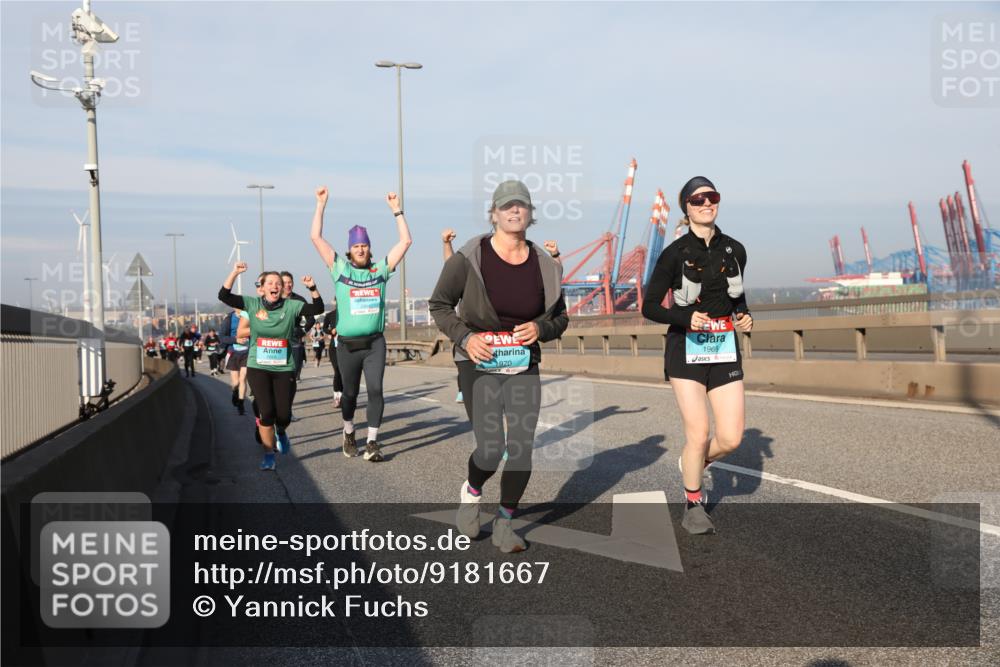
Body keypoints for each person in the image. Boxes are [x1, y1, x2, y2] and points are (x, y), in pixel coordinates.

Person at [430, 180, 568, 553]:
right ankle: (472, 491)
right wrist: (466, 338)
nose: (514, 211)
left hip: (523, 363)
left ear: (530, 214)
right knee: (492, 449)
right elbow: (440, 305)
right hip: (479, 362)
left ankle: (506, 521)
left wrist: (540, 328)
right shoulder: (469, 257)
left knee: (521, 449)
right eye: (506, 206)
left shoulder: (544, 264)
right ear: (493, 214)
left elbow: (560, 318)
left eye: (521, 205)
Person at [641, 176, 752, 536]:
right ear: (686, 207)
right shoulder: (673, 254)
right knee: (699, 431)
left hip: (723, 348)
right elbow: (650, 307)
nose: (707, 203)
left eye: (712, 197)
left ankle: (692, 462)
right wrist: (685, 316)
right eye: (698, 199)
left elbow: (736, 297)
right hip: (685, 349)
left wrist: (744, 314)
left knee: (732, 437)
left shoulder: (736, 249)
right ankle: (693, 503)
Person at [310, 186, 412, 462]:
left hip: (374, 343)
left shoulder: (380, 271)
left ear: (369, 249)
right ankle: (349, 431)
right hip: (347, 346)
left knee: (377, 390)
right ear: (350, 250)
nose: (360, 249)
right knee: (350, 395)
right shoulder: (339, 270)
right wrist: (321, 205)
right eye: (356, 246)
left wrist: (396, 211)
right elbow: (316, 237)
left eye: (364, 246)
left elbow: (405, 242)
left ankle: (372, 443)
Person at [218, 262, 324, 471]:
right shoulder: (253, 304)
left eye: (279, 283)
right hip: (258, 366)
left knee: (283, 415)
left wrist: (312, 288)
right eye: (271, 283)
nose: (276, 286)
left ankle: (281, 431)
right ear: (263, 287)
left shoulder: (291, 306)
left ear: (282, 289)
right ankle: (268, 455)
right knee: (266, 413)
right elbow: (224, 295)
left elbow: (318, 308)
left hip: (283, 368)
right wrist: (235, 272)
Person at [442, 228, 563, 404]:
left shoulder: (528, 266)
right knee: (489, 416)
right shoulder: (471, 265)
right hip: (478, 342)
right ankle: (465, 387)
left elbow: (555, 275)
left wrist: (554, 255)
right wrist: (447, 244)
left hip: (516, 354)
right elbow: (451, 268)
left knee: (515, 417)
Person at [219, 303, 251, 415]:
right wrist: (235, 340)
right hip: (233, 352)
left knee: (243, 379)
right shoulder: (228, 319)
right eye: (238, 306)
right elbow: (222, 337)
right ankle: (234, 392)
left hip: (247, 352)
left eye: (242, 306)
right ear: (234, 307)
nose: (241, 309)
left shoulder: (249, 317)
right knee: (235, 382)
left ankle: (241, 403)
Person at [320, 307, 343, 408]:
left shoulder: (347, 313)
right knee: (337, 371)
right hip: (334, 348)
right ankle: (336, 397)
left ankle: (342, 397)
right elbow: (324, 328)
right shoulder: (330, 315)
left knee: (344, 373)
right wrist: (331, 331)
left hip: (346, 347)